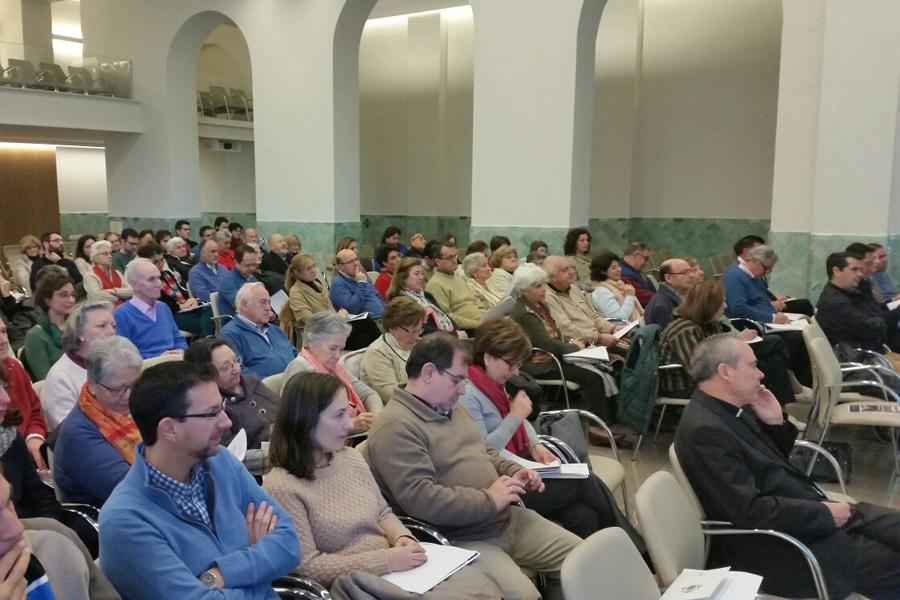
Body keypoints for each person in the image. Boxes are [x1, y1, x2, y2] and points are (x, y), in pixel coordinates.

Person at [674, 333, 900, 599]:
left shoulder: (727, 410)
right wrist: (823, 515)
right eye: (752, 366)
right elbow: (750, 511)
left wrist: (776, 423)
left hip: (800, 514)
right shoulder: (706, 430)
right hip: (778, 547)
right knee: (892, 564)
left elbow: (767, 465)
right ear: (725, 372)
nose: (760, 374)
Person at [366, 333, 581, 600]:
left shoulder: (451, 407)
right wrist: (489, 499)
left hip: (506, 520)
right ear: (429, 372)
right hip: (463, 539)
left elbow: (484, 451)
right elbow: (422, 499)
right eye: (457, 380)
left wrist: (514, 471)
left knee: (587, 565)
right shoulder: (395, 427)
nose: (462, 390)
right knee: (525, 596)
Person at [263, 371, 502, 598]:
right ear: (305, 421)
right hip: (356, 584)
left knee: (483, 587)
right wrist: (385, 560)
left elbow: (382, 512)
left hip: (396, 568)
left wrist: (402, 538)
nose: (349, 425)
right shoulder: (282, 486)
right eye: (338, 416)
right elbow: (307, 567)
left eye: (348, 413)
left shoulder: (350, 457)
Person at [99, 361, 300, 599]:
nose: (226, 422)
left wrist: (219, 575)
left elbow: (289, 543)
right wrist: (259, 563)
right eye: (212, 413)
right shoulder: (126, 520)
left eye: (221, 407)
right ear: (170, 429)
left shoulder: (220, 462)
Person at [460, 317, 645, 545]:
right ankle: (638, 551)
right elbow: (483, 449)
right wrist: (515, 415)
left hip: (524, 467)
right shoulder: (468, 394)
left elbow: (520, 422)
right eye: (511, 365)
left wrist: (534, 443)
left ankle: (606, 567)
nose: (515, 372)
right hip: (502, 484)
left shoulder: (493, 382)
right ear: (488, 357)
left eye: (519, 365)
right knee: (584, 480)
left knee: (583, 517)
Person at [509, 264, 620, 439]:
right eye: (538, 286)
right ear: (523, 289)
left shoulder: (539, 305)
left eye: (544, 284)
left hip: (553, 357)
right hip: (537, 363)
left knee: (604, 367)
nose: (544, 289)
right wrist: (576, 347)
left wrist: (573, 344)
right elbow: (545, 343)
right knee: (592, 377)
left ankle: (608, 420)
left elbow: (556, 333)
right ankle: (596, 430)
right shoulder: (524, 313)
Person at [658, 280, 795, 405]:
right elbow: (698, 370)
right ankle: (771, 416)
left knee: (768, 362)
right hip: (686, 385)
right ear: (708, 305)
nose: (725, 306)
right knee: (757, 367)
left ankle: (779, 410)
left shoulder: (710, 323)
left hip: (714, 370)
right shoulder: (683, 331)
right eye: (721, 302)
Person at [53, 337, 142, 506]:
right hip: (112, 514)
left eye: (135, 385)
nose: (130, 395)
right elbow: (130, 489)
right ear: (93, 385)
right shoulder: (79, 434)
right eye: (118, 389)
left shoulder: (134, 404)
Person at [184, 338, 276, 477]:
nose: (237, 369)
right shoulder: (214, 410)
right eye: (226, 367)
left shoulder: (252, 382)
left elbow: (286, 412)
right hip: (263, 473)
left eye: (235, 360)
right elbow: (232, 458)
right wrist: (283, 454)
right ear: (205, 375)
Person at [282, 313, 380, 432]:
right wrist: (349, 425)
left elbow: (369, 395)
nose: (338, 355)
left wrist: (375, 417)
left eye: (341, 349)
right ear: (311, 342)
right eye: (332, 348)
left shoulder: (334, 367)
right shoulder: (300, 369)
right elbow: (302, 423)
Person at [41, 301, 116, 430]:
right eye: (102, 326)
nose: (111, 332)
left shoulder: (113, 364)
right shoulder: (60, 378)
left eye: (113, 326)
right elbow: (71, 433)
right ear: (80, 333)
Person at [282, 253, 380, 351]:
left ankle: (380, 354)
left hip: (333, 326)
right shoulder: (296, 291)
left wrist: (338, 317)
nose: (313, 270)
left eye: (313, 266)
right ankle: (384, 350)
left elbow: (329, 309)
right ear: (297, 273)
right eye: (308, 269)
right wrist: (336, 318)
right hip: (321, 333)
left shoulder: (318, 284)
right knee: (366, 322)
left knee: (364, 339)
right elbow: (308, 319)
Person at [0, 363, 60, 521]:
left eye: (3, 386)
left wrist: (51, 526)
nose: (6, 398)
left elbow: (38, 495)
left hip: (34, 530)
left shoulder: (8, 435)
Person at [816, 252, 899, 353]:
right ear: (837, 271)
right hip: (863, 358)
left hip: (867, 351)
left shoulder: (846, 293)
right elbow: (876, 329)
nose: (860, 274)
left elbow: (875, 314)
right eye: (854, 270)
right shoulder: (837, 303)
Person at [113, 258, 187, 359]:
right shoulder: (121, 314)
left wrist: (179, 350)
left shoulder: (163, 307)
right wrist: (158, 358)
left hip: (174, 363)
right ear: (134, 284)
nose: (159, 284)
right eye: (151, 279)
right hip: (146, 369)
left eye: (158, 278)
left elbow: (179, 339)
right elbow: (123, 356)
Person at [220, 282, 298, 378]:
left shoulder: (276, 330)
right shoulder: (230, 334)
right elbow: (239, 373)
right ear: (244, 305)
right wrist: (271, 385)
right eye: (263, 302)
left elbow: (296, 355)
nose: (268, 308)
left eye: (269, 303)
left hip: (295, 384)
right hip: (266, 390)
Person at [137, 243, 215, 338]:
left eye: (162, 260)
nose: (161, 263)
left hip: (185, 308)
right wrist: (181, 306)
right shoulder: (146, 282)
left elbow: (181, 293)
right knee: (206, 323)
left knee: (210, 310)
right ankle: (206, 344)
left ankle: (205, 342)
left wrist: (192, 300)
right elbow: (161, 304)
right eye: (156, 262)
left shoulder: (166, 274)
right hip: (169, 315)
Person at [541, 255, 620, 348]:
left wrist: (613, 328)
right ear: (552, 277)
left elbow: (594, 317)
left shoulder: (574, 289)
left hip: (600, 337)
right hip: (585, 345)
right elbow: (566, 329)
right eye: (565, 270)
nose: (571, 272)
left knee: (635, 341)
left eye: (571, 267)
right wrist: (598, 338)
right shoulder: (547, 297)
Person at [359, 297, 426, 405]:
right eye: (412, 331)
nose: (416, 336)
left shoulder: (417, 345)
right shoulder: (378, 353)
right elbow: (392, 394)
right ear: (392, 328)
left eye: (419, 330)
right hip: (398, 410)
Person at [0, 321, 48, 470]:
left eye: (3, 332)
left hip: (24, 454)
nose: (3, 340)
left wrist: (34, 436)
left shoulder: (14, 368)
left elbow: (34, 411)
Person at [389, 257, 463, 337]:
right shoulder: (400, 301)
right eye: (416, 274)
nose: (421, 277)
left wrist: (458, 330)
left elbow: (445, 315)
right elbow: (420, 329)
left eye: (422, 273)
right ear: (402, 278)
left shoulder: (426, 295)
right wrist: (453, 335)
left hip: (446, 336)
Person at [24, 269, 75, 380]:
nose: (71, 300)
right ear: (47, 300)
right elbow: (46, 380)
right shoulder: (35, 336)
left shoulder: (78, 325)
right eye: (64, 295)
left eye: (72, 295)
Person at [425, 241, 484, 330]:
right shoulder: (435, 284)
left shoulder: (460, 279)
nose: (454, 260)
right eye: (449, 257)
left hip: (482, 322)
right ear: (438, 262)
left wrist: (490, 317)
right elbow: (446, 317)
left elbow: (476, 304)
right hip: (467, 330)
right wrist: (478, 324)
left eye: (455, 256)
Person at [329, 249, 385, 319]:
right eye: (350, 262)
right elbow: (351, 309)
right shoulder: (338, 284)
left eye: (356, 259)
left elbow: (377, 295)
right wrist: (361, 283)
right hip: (368, 322)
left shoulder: (361, 275)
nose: (356, 264)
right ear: (340, 266)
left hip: (383, 318)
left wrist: (386, 313)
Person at [590, 251, 644, 322]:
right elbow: (619, 318)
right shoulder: (601, 292)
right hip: (627, 330)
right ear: (603, 272)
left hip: (637, 324)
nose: (619, 269)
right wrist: (630, 297)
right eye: (614, 268)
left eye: (618, 266)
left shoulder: (620, 285)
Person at [644, 257, 698, 327]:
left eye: (691, 271)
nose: (692, 275)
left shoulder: (675, 297)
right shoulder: (661, 305)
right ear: (668, 278)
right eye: (684, 272)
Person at [83, 240, 133, 306]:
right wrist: (118, 298)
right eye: (105, 253)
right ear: (95, 258)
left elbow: (131, 291)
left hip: (121, 310)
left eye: (110, 253)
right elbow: (97, 296)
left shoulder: (117, 273)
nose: (109, 256)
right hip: (101, 311)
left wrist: (113, 291)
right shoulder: (90, 275)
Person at [218, 245, 261, 317]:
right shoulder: (228, 281)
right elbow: (241, 306)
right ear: (236, 263)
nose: (251, 268)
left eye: (253, 265)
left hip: (254, 318)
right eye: (247, 265)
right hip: (235, 323)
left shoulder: (251, 277)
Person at [619, 242, 656, 306]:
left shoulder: (634, 271)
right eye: (646, 258)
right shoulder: (625, 275)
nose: (646, 263)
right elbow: (644, 298)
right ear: (636, 255)